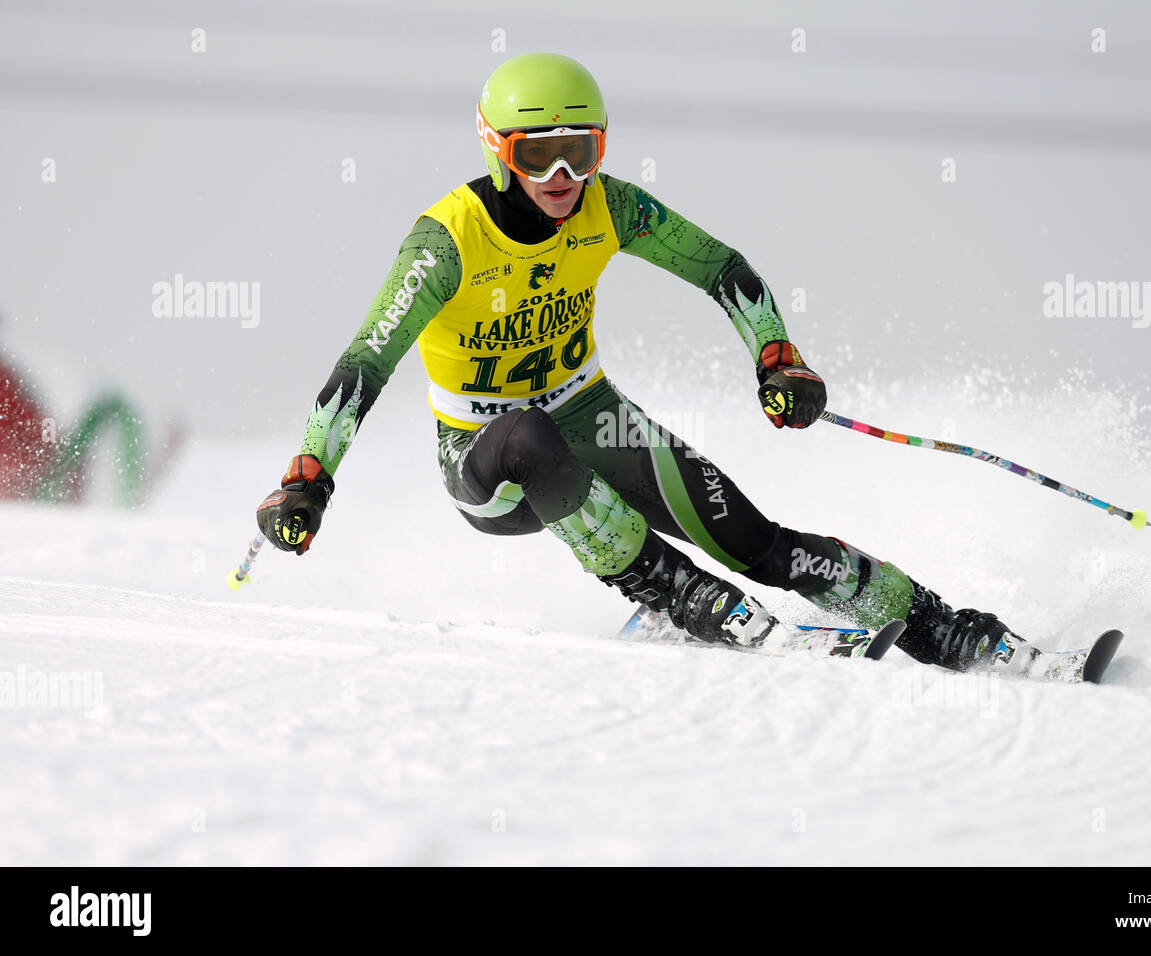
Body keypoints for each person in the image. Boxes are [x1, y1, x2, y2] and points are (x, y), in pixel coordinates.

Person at [255, 52, 1027, 672]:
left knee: (754, 538)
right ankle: (678, 596)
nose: (563, 180)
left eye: (581, 153)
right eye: (541, 157)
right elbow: (364, 364)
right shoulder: (447, 242)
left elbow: (723, 268)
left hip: (591, 413)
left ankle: (937, 624)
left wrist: (777, 359)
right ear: (498, 149)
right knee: (529, 435)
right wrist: (309, 477)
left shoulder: (610, 207)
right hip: (486, 462)